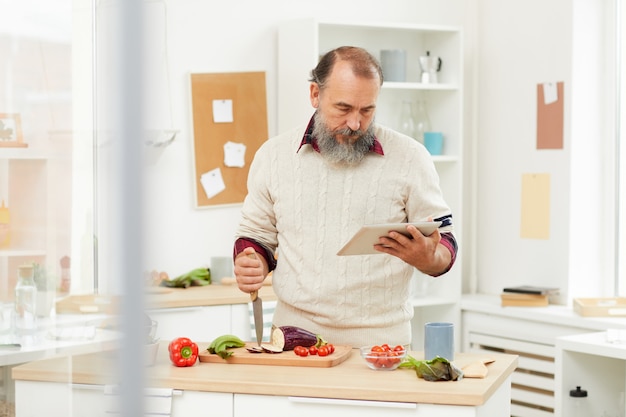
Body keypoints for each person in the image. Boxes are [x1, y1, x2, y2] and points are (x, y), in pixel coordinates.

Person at [232, 46, 457, 348]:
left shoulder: (411, 157)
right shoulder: (273, 156)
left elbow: (445, 240)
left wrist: (430, 258)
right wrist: (252, 262)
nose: (355, 123)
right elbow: (255, 236)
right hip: (293, 341)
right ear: (315, 94)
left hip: (382, 346)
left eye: (367, 111)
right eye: (343, 108)